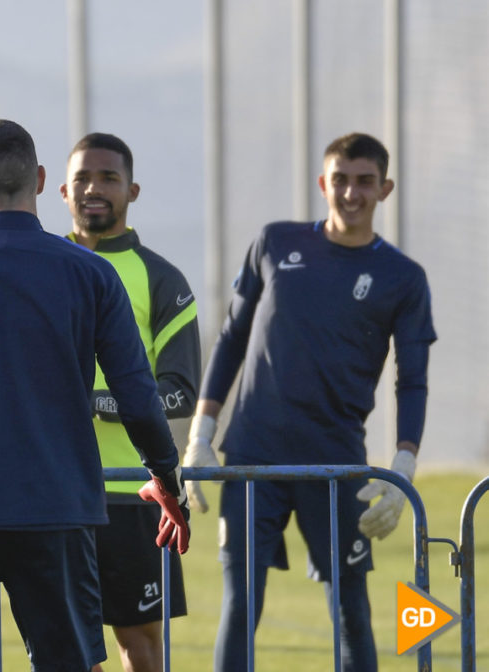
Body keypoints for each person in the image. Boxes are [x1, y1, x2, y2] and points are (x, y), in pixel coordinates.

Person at [0, 119, 190, 672]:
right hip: (56, 510)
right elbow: (137, 395)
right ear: (41, 180)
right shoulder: (92, 274)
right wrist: (167, 481)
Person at [183, 132, 436, 671]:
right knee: (240, 604)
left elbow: (411, 380)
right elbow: (231, 339)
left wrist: (405, 464)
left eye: (364, 181)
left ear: (384, 188)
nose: (351, 192)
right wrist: (201, 435)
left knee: (351, 610)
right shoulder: (275, 243)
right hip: (251, 461)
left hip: (336, 465)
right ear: (323, 183)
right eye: (340, 180)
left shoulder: (404, 279)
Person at [60, 132, 201, 672]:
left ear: (133, 190)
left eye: (109, 178)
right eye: (82, 179)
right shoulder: (42, 267)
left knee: (139, 648)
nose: (94, 188)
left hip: (135, 496)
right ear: (62, 192)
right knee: (64, 649)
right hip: (55, 491)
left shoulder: (163, 278)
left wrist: (94, 401)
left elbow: (179, 391)